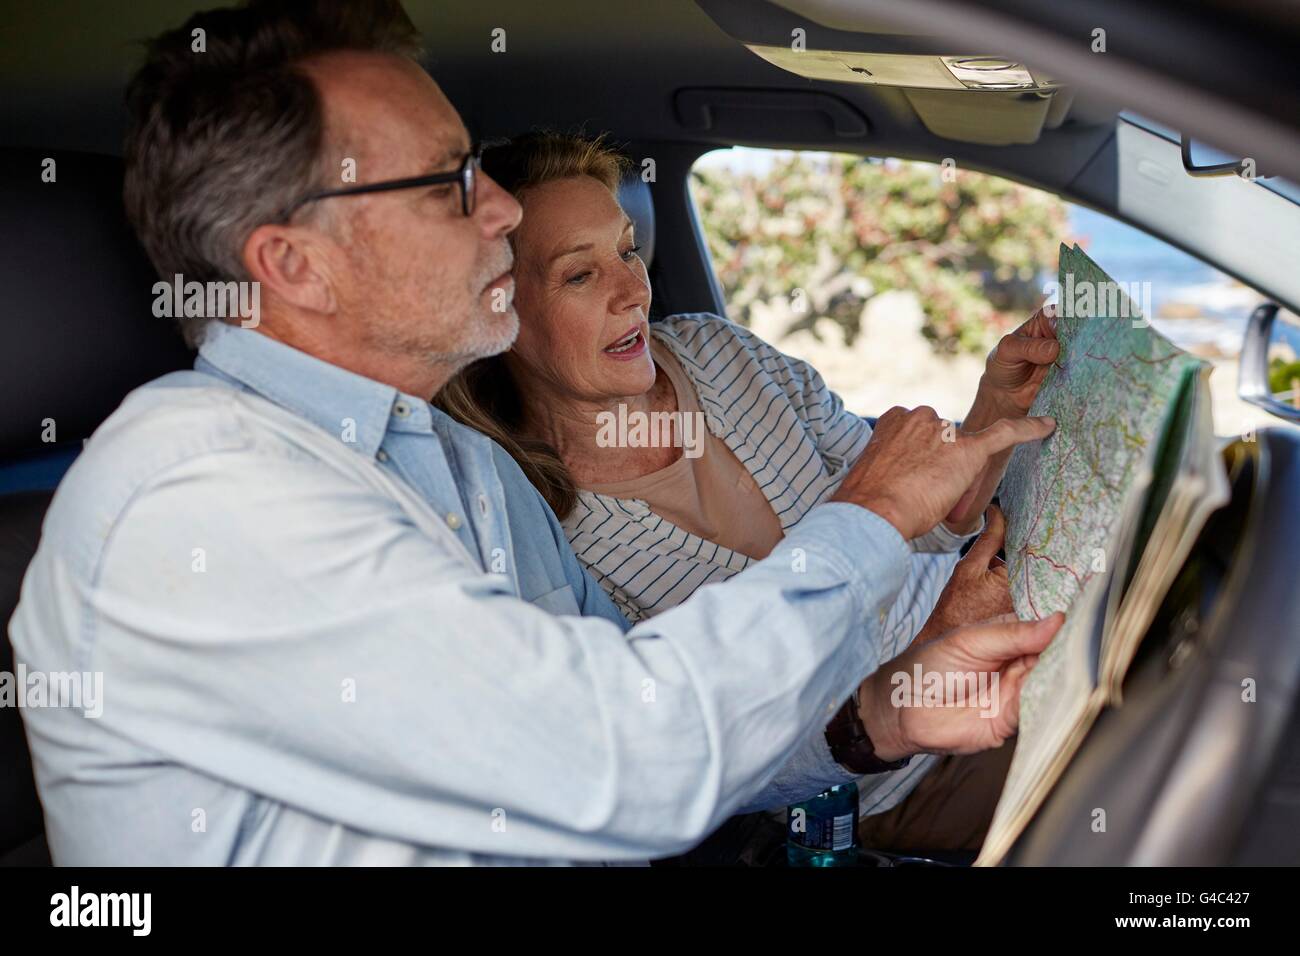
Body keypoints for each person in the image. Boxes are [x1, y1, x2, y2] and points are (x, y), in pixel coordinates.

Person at [9, 0, 1060, 866]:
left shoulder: (456, 462)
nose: (504, 209)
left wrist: (879, 718)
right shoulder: (195, 490)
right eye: (448, 180)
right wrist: (868, 514)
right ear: (295, 266)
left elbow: (645, 697)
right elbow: (623, 759)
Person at [437, 132, 1061, 857]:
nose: (633, 289)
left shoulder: (716, 350)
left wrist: (992, 413)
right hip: (897, 786)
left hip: (1007, 646)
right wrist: (933, 639)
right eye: (580, 276)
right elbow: (717, 758)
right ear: (503, 314)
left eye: (629, 250)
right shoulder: (545, 531)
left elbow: (915, 524)